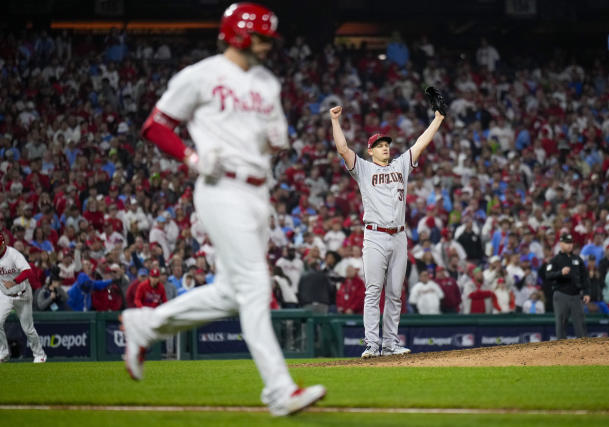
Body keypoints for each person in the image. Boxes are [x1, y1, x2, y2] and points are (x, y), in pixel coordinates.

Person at [119, 3, 325, 416]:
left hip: (257, 192)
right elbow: (155, 126)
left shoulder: (268, 81)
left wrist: (274, 139)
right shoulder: (201, 75)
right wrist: (191, 158)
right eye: (262, 38)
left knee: (232, 293)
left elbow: (276, 140)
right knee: (255, 288)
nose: (268, 46)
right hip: (220, 188)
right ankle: (280, 391)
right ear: (240, 36)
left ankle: (146, 324)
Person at [329, 93, 444, 358]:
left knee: (395, 293)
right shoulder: (364, 169)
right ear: (370, 150)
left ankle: (391, 343)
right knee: (373, 291)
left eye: (386, 144)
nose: (385, 147)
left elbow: (421, 142)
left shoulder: (401, 165)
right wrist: (335, 122)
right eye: (379, 145)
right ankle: (372, 344)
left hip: (399, 236)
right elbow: (343, 149)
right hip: (375, 237)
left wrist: (438, 119)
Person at [0, 233, 47, 363]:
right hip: (5, 295)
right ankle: (3, 353)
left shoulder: (13, 254)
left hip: (22, 294)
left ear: (3, 243)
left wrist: (14, 282)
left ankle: (40, 355)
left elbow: (28, 271)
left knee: (28, 329)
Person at [545, 233, 590, 339]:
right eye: (567, 243)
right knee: (561, 322)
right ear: (561, 244)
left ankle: (584, 348)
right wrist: (560, 272)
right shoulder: (555, 260)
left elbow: (585, 277)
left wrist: (587, 292)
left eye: (571, 243)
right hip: (561, 294)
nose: (570, 245)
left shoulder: (578, 259)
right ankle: (562, 348)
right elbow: (548, 275)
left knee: (580, 322)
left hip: (576, 296)